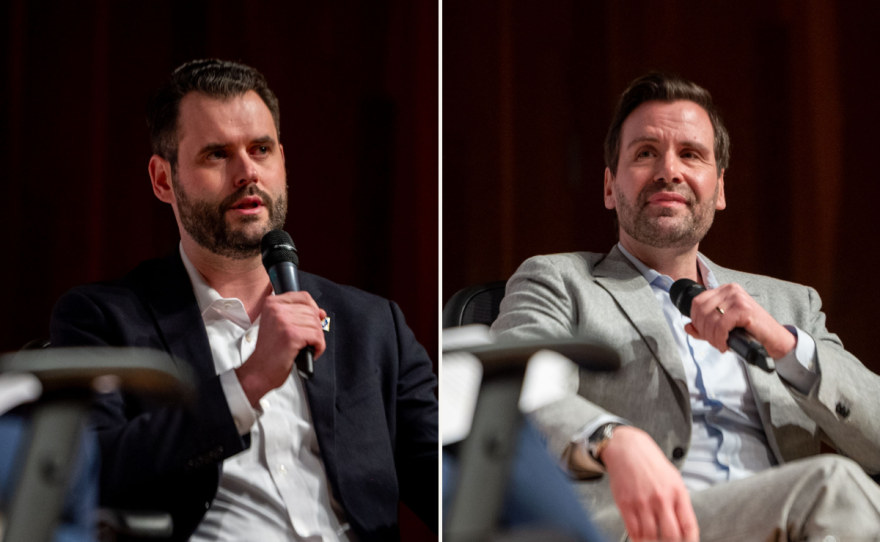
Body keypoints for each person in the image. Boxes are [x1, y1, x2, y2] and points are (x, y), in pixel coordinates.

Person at [50, 59, 438, 542]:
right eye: (216, 155)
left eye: (261, 149)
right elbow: (85, 471)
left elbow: (453, 485)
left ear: (283, 161)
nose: (247, 172)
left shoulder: (373, 325)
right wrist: (248, 382)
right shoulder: (104, 319)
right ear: (163, 180)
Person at [491, 72, 880, 542]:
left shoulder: (790, 303)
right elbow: (518, 394)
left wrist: (785, 346)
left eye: (690, 155)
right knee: (832, 485)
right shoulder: (559, 281)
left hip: (795, 525)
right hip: (636, 528)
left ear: (719, 190)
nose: (668, 171)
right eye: (645, 153)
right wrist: (610, 437)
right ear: (611, 188)